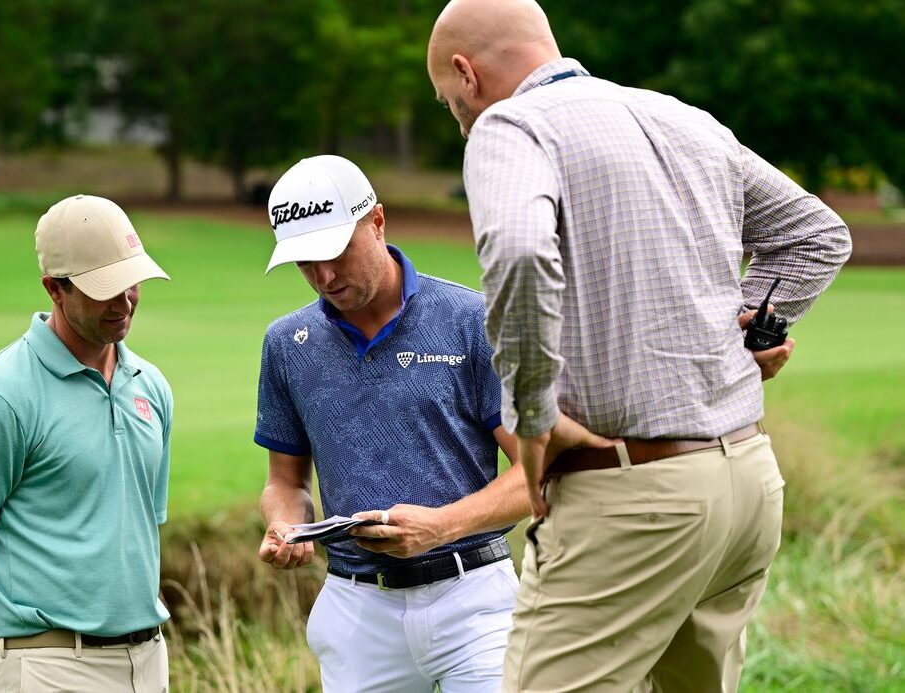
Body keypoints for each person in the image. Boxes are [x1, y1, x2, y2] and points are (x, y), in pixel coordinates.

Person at [427, 1, 852, 690]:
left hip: (632, 496)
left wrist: (530, 418)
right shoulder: (684, 117)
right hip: (746, 481)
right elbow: (817, 235)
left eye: (450, 104)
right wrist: (749, 333)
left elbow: (519, 249)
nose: (460, 118)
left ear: (465, 74)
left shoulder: (508, 125)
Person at [254, 154, 611, 692]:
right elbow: (285, 482)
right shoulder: (287, 344)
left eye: (335, 253)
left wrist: (439, 528)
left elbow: (537, 469)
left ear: (376, 221)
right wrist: (285, 526)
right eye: (305, 262)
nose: (324, 277)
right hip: (356, 609)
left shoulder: (471, 321)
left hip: (473, 601)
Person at [0, 194, 174, 692]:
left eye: (132, 284)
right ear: (55, 289)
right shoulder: (0, 396)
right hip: (45, 667)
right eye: (105, 290)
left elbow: (134, 531)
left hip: (147, 659)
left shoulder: (151, 385)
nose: (124, 304)